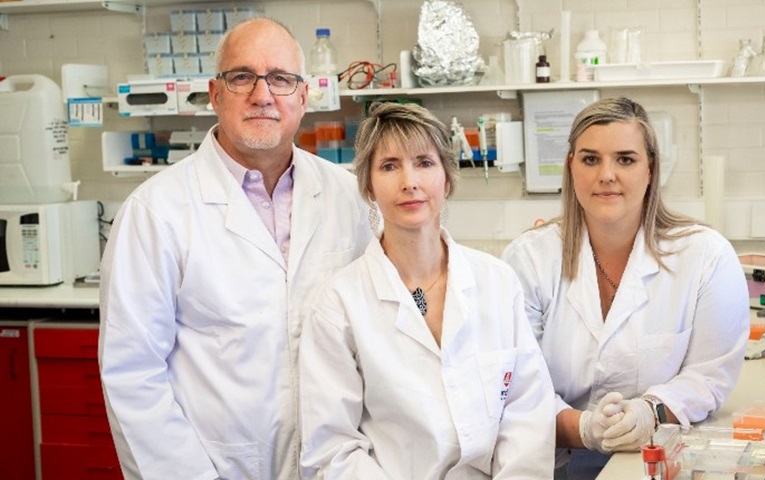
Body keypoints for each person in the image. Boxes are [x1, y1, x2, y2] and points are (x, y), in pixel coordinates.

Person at [98, 18, 371, 480]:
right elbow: (133, 374)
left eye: (281, 79)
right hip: (215, 468)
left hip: (338, 465)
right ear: (215, 93)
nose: (262, 95)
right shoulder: (156, 211)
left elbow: (390, 319)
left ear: (304, 98)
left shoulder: (351, 197)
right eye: (242, 77)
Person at [299, 102, 556, 479]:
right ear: (368, 186)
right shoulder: (340, 305)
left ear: (447, 178)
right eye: (389, 166)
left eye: (424, 162)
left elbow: (527, 413)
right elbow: (332, 448)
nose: (409, 182)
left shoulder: (496, 282)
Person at [501, 97, 749, 478]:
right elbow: (515, 386)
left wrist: (649, 410)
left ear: (651, 169)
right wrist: (584, 429)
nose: (606, 175)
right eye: (590, 159)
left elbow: (709, 375)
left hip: (656, 459)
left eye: (625, 159)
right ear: (571, 167)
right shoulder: (529, 260)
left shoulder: (705, 256)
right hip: (551, 457)